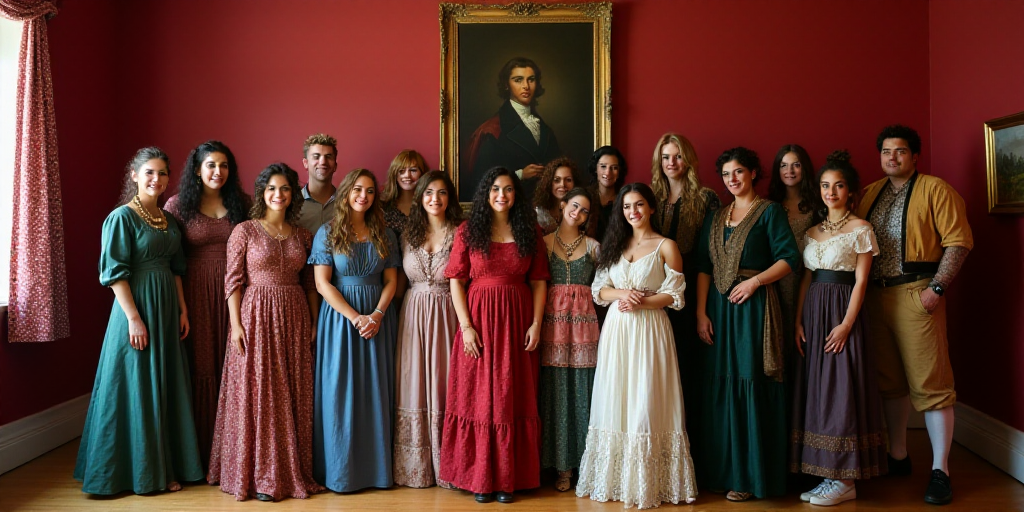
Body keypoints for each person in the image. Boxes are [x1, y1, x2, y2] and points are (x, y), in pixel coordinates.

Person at [855, 125, 972, 505]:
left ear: (915, 155)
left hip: (916, 293)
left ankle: (941, 470)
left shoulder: (936, 190)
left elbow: (958, 242)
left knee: (932, 382)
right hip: (875, 296)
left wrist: (936, 290)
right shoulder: (869, 194)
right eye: (886, 151)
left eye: (900, 151)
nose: (892, 157)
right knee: (889, 380)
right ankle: (899, 455)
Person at [74, 147, 203, 494]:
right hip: (136, 308)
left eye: (162, 173)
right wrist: (133, 318)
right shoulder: (121, 218)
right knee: (135, 386)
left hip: (166, 308)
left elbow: (177, 268)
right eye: (149, 172)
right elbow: (115, 274)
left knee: (165, 385)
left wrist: (183, 309)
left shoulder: (168, 219)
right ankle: (135, 473)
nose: (156, 179)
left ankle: (165, 467)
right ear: (134, 175)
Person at [576, 183, 697, 509]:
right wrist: (622, 295)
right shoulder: (613, 245)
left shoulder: (666, 246)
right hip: (617, 330)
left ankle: (648, 484)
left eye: (639, 204)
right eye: (627, 206)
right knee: (617, 394)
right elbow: (599, 289)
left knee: (646, 396)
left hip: (650, 329)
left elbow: (676, 296)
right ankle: (614, 479)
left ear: (652, 208)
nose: (633, 211)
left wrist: (641, 302)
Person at [207, 163, 322, 502]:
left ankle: (289, 470)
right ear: (261, 193)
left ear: (293, 194)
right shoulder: (244, 231)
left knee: (291, 391)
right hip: (255, 315)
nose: (278, 194)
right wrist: (236, 325)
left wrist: (314, 321)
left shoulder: (303, 235)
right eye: (271, 188)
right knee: (260, 392)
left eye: (285, 188)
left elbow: (310, 284)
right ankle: (257, 473)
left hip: (295, 316)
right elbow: (233, 282)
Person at [694, 147, 800, 502]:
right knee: (719, 387)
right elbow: (704, 267)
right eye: (726, 174)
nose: (732, 179)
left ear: (754, 173)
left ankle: (750, 477)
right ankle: (721, 472)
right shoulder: (715, 216)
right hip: (718, 313)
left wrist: (756, 282)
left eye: (738, 172)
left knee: (750, 382)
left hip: (755, 309)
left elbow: (789, 259)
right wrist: (700, 313)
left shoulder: (769, 212)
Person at [439, 167, 549, 504]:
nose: (502, 195)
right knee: (477, 396)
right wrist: (466, 326)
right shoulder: (468, 230)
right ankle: (478, 478)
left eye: (509, 189)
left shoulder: (530, 230)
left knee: (511, 394)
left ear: (516, 195)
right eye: (496, 189)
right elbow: (456, 280)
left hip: (517, 323)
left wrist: (536, 323)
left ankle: (507, 480)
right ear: (486, 194)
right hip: (479, 323)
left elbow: (539, 281)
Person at [790, 151, 888, 506]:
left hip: (843, 313)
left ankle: (845, 481)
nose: (831, 192)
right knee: (819, 388)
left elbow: (862, 281)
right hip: (815, 313)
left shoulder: (861, 229)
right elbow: (806, 279)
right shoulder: (812, 232)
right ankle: (825, 472)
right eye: (826, 186)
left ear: (851, 191)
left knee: (840, 389)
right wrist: (798, 321)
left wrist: (847, 324)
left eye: (839, 186)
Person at [311, 168, 401, 493]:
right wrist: (355, 317)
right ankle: (340, 473)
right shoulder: (328, 232)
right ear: (347, 192)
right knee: (340, 393)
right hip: (340, 320)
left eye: (370, 191)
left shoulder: (385, 234)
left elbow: (392, 280)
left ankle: (376, 473)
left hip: (378, 319)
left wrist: (376, 314)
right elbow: (322, 284)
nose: (364, 196)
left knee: (376, 391)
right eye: (358, 190)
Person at [163, 140, 250, 471]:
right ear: (197, 170)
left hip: (236, 293)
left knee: (233, 364)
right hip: (194, 292)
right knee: (201, 365)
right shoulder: (177, 205)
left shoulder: (242, 203)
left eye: (224, 165)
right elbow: (169, 257)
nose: (218, 171)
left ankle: (232, 450)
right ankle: (197, 453)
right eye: (211, 165)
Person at [393, 171, 463, 488]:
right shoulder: (407, 233)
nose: (435, 198)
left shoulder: (462, 233)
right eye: (429, 193)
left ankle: (449, 464)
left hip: (449, 313)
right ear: (420, 197)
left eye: (442, 192)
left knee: (447, 383)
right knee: (414, 383)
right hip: (412, 315)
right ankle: (416, 467)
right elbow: (394, 280)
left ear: (450, 198)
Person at [649, 133, 720, 431]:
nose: (671, 163)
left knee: (690, 365)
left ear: (688, 159)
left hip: (694, 284)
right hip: (654, 288)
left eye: (677, 156)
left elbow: (711, 251)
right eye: (665, 157)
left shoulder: (706, 197)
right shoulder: (650, 198)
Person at [538, 187, 600, 492]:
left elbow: (605, 287)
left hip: (584, 330)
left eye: (585, 210)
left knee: (583, 393)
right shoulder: (544, 243)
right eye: (574, 206)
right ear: (563, 206)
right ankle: (559, 466)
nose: (578, 213)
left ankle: (584, 465)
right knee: (554, 392)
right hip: (552, 328)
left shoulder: (595, 247)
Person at [464, 57, 561, 198]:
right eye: (518, 80)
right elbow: (481, 179)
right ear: (506, 85)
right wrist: (520, 174)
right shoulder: (493, 130)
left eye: (531, 79)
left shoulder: (544, 128)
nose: (526, 86)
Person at [767, 144, 819, 382]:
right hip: (777, 282)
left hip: (810, 281)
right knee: (780, 339)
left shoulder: (819, 204)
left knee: (807, 339)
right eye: (783, 165)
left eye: (796, 164)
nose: (789, 170)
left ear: (805, 168)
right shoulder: (769, 206)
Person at [296, 133, 339, 234]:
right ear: (305, 163)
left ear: (335, 165)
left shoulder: (346, 203)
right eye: (316, 157)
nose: (323, 162)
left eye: (328, 156)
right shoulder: (293, 204)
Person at [380, 149, 428, 236]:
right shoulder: (382, 206)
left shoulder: (430, 205)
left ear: (422, 173)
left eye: (413, 170)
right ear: (394, 174)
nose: (407, 175)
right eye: (401, 171)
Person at [586, 145, 628, 238]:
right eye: (603, 166)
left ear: (619, 171)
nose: (608, 172)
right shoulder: (585, 197)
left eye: (614, 168)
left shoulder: (625, 200)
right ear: (595, 168)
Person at [533, 157, 582, 234]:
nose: (562, 185)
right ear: (549, 183)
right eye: (557, 180)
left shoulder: (581, 210)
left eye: (568, 180)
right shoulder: (538, 213)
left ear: (575, 183)